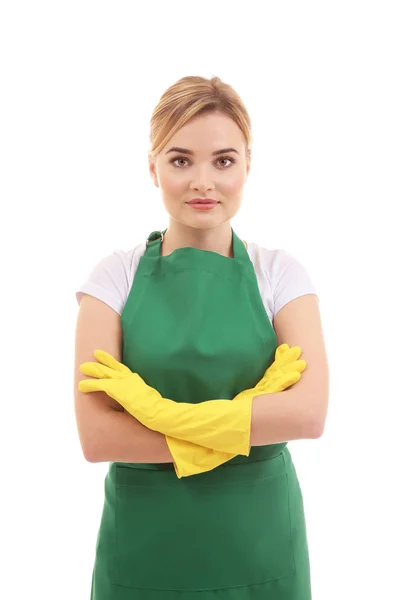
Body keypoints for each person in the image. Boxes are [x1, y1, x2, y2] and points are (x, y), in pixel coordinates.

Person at [74, 75, 329, 599]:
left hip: (260, 545)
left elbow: (308, 414)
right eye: (181, 160)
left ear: (247, 165)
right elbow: (98, 437)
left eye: (224, 160)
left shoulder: (280, 274)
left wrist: (156, 412)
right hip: (145, 550)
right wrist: (248, 423)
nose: (203, 182)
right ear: (154, 168)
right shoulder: (112, 279)